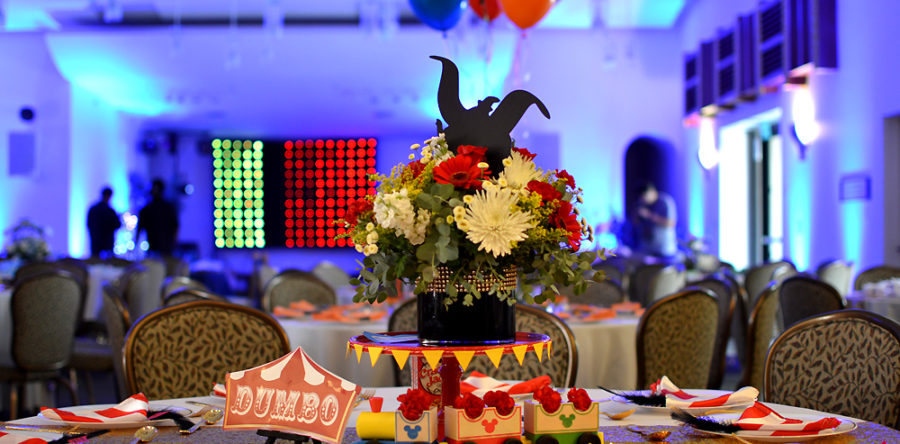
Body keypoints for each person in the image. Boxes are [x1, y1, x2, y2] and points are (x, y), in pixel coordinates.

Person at [635, 182, 678, 260]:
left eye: (645, 196)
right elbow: (636, 224)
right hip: (649, 249)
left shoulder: (665, 202)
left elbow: (671, 223)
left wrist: (649, 215)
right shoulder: (643, 204)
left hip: (664, 250)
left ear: (652, 191)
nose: (644, 199)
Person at [137, 179, 179, 256]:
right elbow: (139, 227)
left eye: (156, 189)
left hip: (166, 249)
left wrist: (174, 243)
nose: (155, 191)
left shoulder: (168, 208)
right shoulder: (146, 209)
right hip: (153, 248)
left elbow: (175, 226)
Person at [87, 187, 121, 257]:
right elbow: (117, 225)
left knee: (95, 262)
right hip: (107, 243)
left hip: (96, 241)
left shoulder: (94, 209)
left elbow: (89, 225)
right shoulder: (110, 211)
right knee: (109, 264)